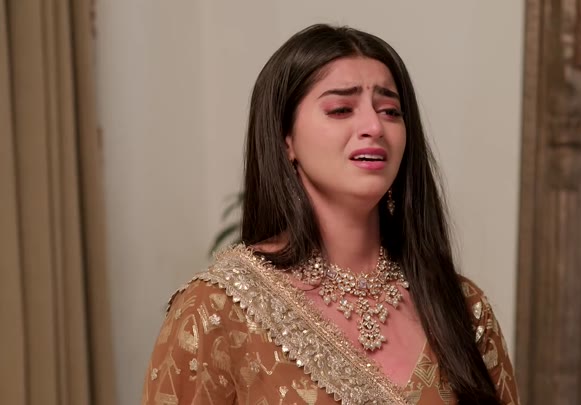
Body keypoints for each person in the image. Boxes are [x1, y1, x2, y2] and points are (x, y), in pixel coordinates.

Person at [142, 24, 519, 405]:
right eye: (341, 109)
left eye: (390, 111)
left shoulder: (463, 308)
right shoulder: (217, 309)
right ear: (285, 140)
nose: (374, 127)